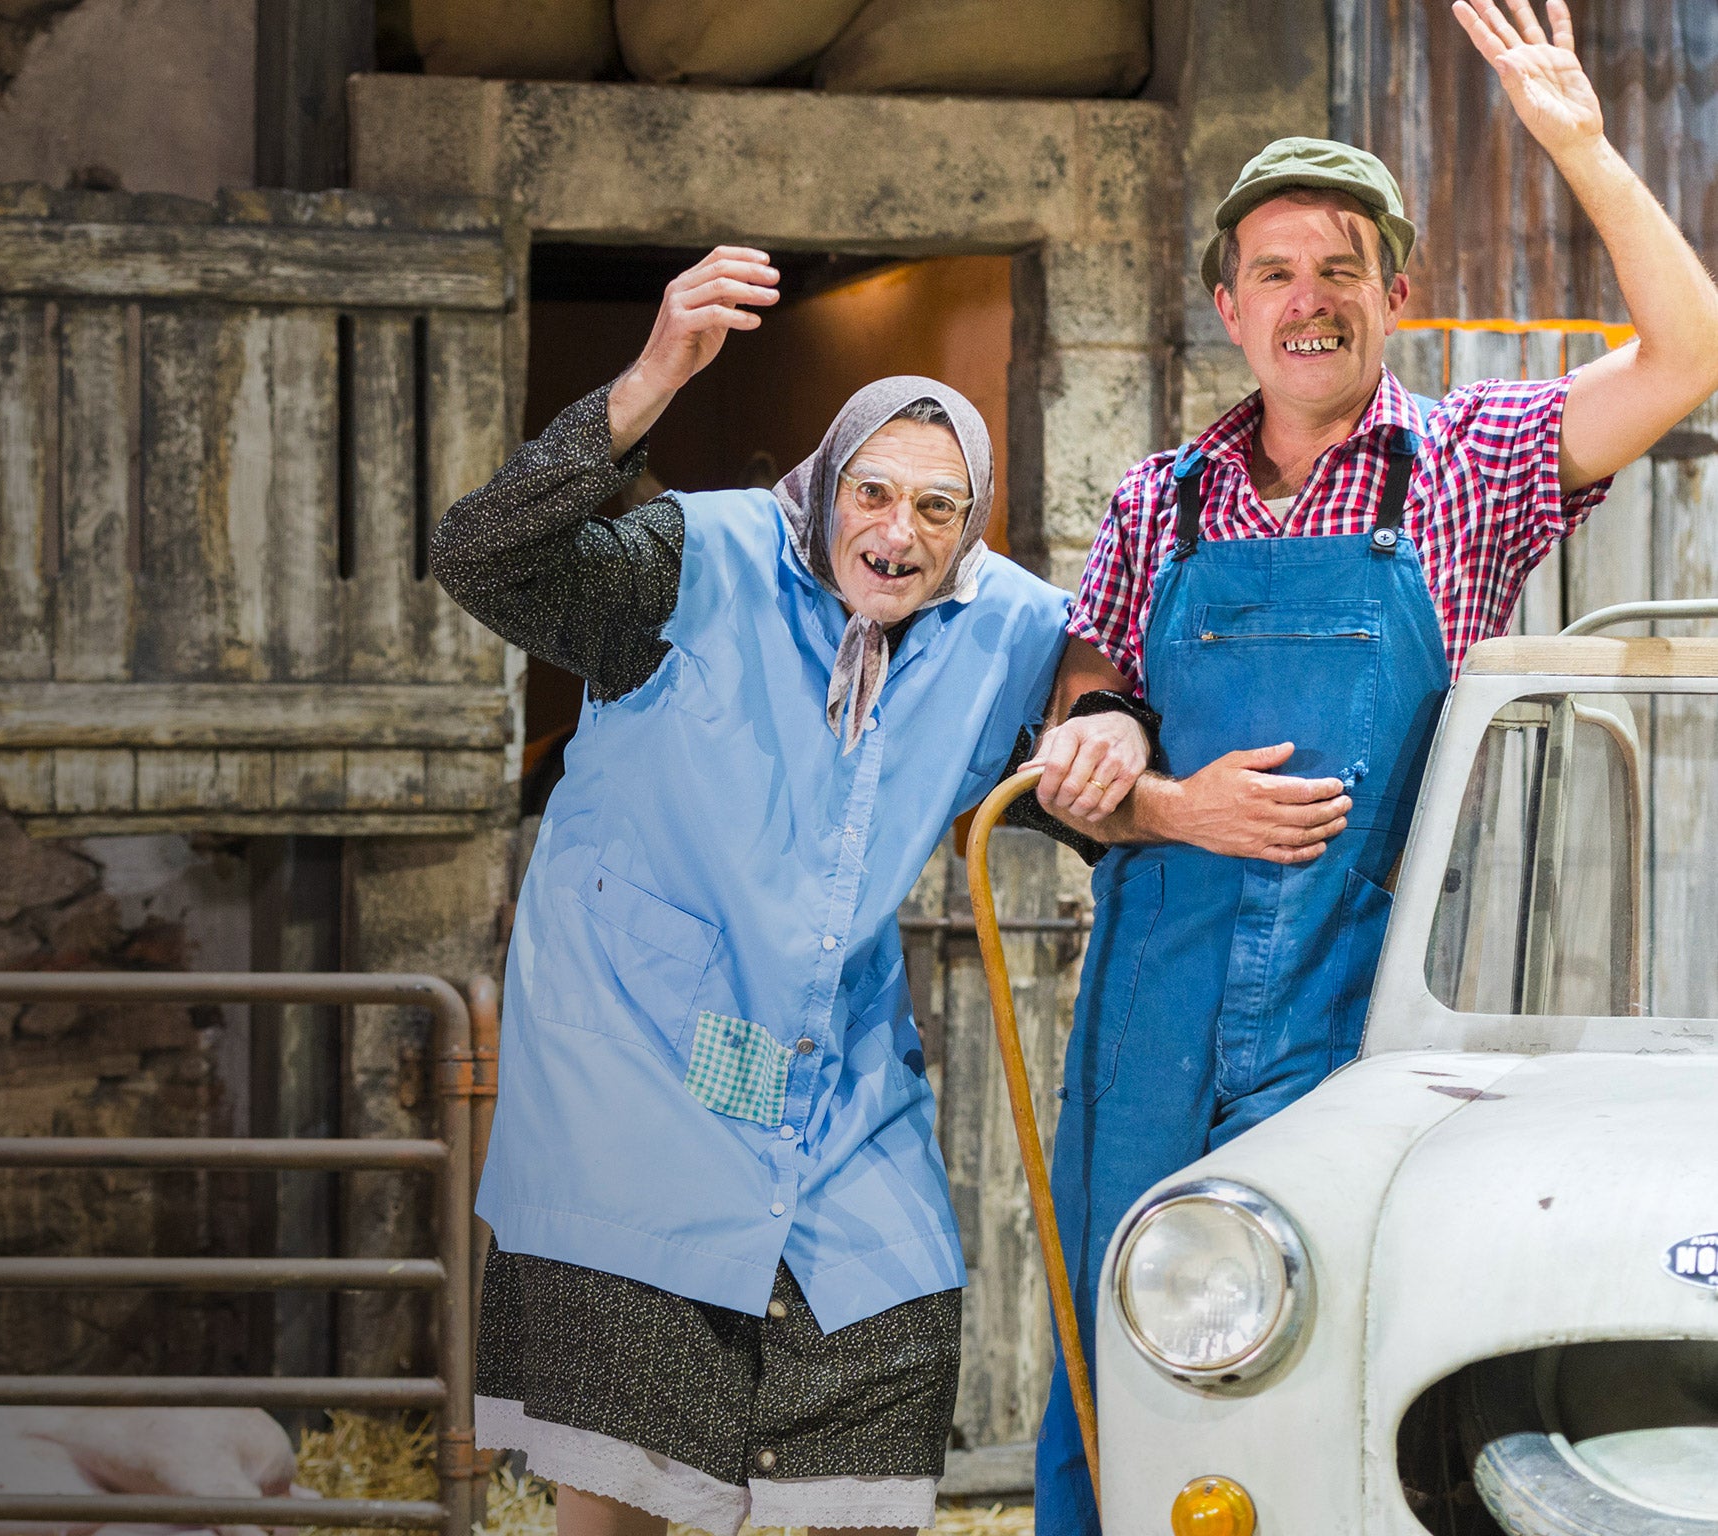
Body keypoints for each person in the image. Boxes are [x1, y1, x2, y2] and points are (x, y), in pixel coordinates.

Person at [1022, 5, 1718, 1530]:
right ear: (1228, 306)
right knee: (1108, 1362)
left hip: (1359, 1004)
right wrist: (1138, 776)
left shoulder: (1468, 468)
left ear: (1398, 293)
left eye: (1342, 267)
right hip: (1154, 997)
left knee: (1323, 1376)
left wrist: (1582, 148)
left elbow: (1687, 354)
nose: (1309, 297)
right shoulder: (1165, 497)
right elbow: (1091, 696)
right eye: (1274, 271)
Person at [434, 247, 1099, 1536]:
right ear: (824, 486)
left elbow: (1094, 728)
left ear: (970, 530)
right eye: (873, 492)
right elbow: (481, 556)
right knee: (625, 1428)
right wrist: (657, 373)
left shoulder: (1000, 628)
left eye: (938, 509)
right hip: (633, 1047)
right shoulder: (697, 561)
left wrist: (1130, 747)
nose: (896, 533)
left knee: (888, 1324)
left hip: (810, 1059)